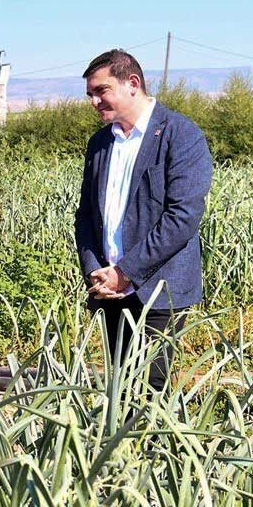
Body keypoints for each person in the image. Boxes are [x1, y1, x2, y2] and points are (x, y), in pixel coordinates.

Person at [74, 49, 212, 392]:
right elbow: (86, 215)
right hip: (107, 289)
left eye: (101, 91)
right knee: (118, 388)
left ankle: (155, 448)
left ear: (132, 83)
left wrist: (127, 272)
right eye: (90, 94)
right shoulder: (100, 144)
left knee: (151, 392)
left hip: (158, 290)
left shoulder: (180, 134)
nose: (94, 101)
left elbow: (183, 217)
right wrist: (95, 268)